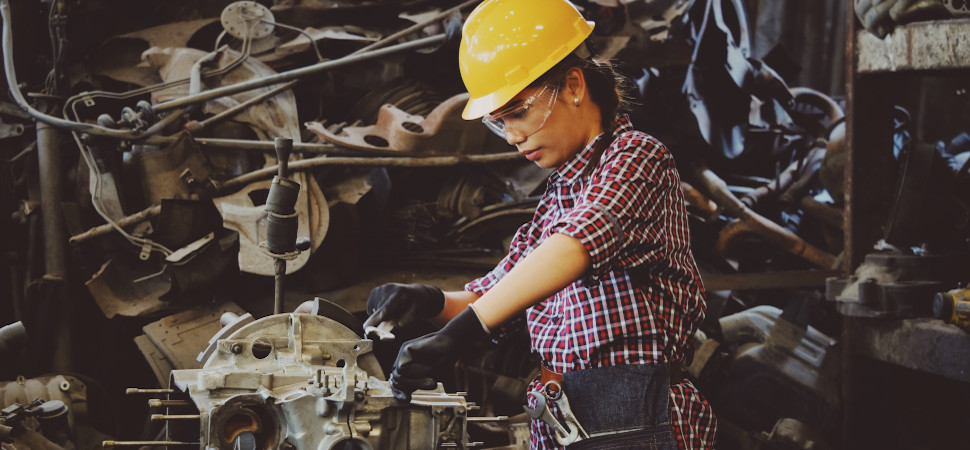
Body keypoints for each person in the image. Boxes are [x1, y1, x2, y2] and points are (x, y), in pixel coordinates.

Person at [363, 0, 716, 448]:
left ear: (572, 85)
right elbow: (499, 296)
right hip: (560, 411)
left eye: (519, 112)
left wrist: (462, 332)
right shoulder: (559, 194)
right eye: (499, 122)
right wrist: (427, 301)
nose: (512, 136)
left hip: (631, 414)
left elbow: (576, 246)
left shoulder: (638, 158)